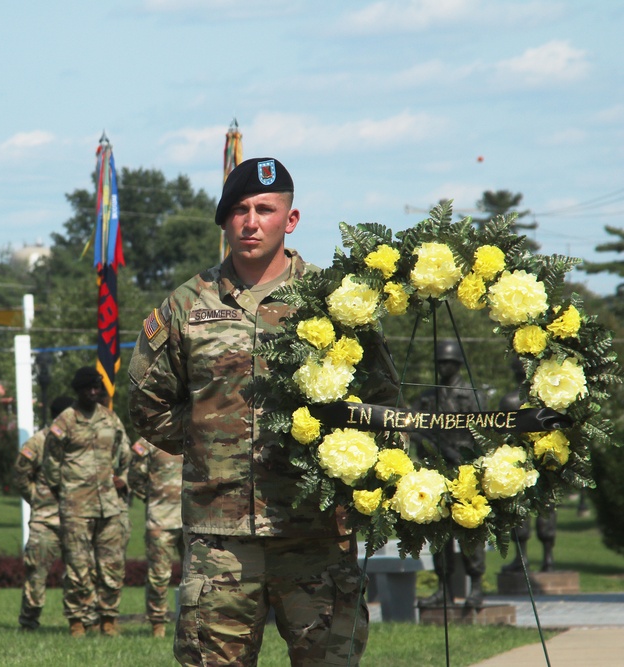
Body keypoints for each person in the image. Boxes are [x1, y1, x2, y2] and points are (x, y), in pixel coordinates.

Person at [129, 158, 398, 666]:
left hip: (316, 533)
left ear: (290, 220)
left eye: (265, 209)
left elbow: (381, 402)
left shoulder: (334, 302)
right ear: (224, 221)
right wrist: (212, 442)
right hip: (221, 540)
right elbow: (148, 405)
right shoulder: (187, 305)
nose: (251, 221)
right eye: (239, 210)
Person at [42, 366, 132, 638]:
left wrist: (123, 479)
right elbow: (50, 463)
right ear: (78, 390)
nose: (94, 392)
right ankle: (78, 621)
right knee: (79, 568)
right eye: (88, 388)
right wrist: (65, 492)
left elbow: (125, 454)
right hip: (76, 507)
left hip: (109, 505)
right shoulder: (65, 422)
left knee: (112, 566)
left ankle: (108, 620)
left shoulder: (111, 419)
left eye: (97, 387)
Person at [414, 340, 487, 609]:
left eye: (449, 362)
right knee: (440, 534)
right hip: (437, 472)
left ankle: (476, 587)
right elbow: (416, 427)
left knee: (470, 532)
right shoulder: (428, 396)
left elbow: (484, 431)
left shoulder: (471, 395)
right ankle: (444, 588)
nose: (443, 367)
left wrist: (467, 457)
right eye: (440, 362)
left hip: (465, 471)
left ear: (457, 364)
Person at [13, 395, 74, 631]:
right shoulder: (37, 442)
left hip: (74, 518)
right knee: (36, 575)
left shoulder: (77, 441)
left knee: (78, 575)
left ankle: (78, 622)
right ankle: (28, 622)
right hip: (45, 520)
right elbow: (20, 476)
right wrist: (37, 499)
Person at [498, 359, 558, 574]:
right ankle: (539, 558)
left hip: (529, 463)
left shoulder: (512, 401)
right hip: (534, 462)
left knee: (527, 509)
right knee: (537, 509)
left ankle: (534, 558)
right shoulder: (543, 400)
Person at [127, 436, 182, 638]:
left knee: (197, 578)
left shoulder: (196, 431)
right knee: (158, 577)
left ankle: (194, 625)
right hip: (161, 520)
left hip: (194, 520)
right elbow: (134, 478)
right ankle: (157, 624)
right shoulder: (150, 440)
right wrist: (154, 498)